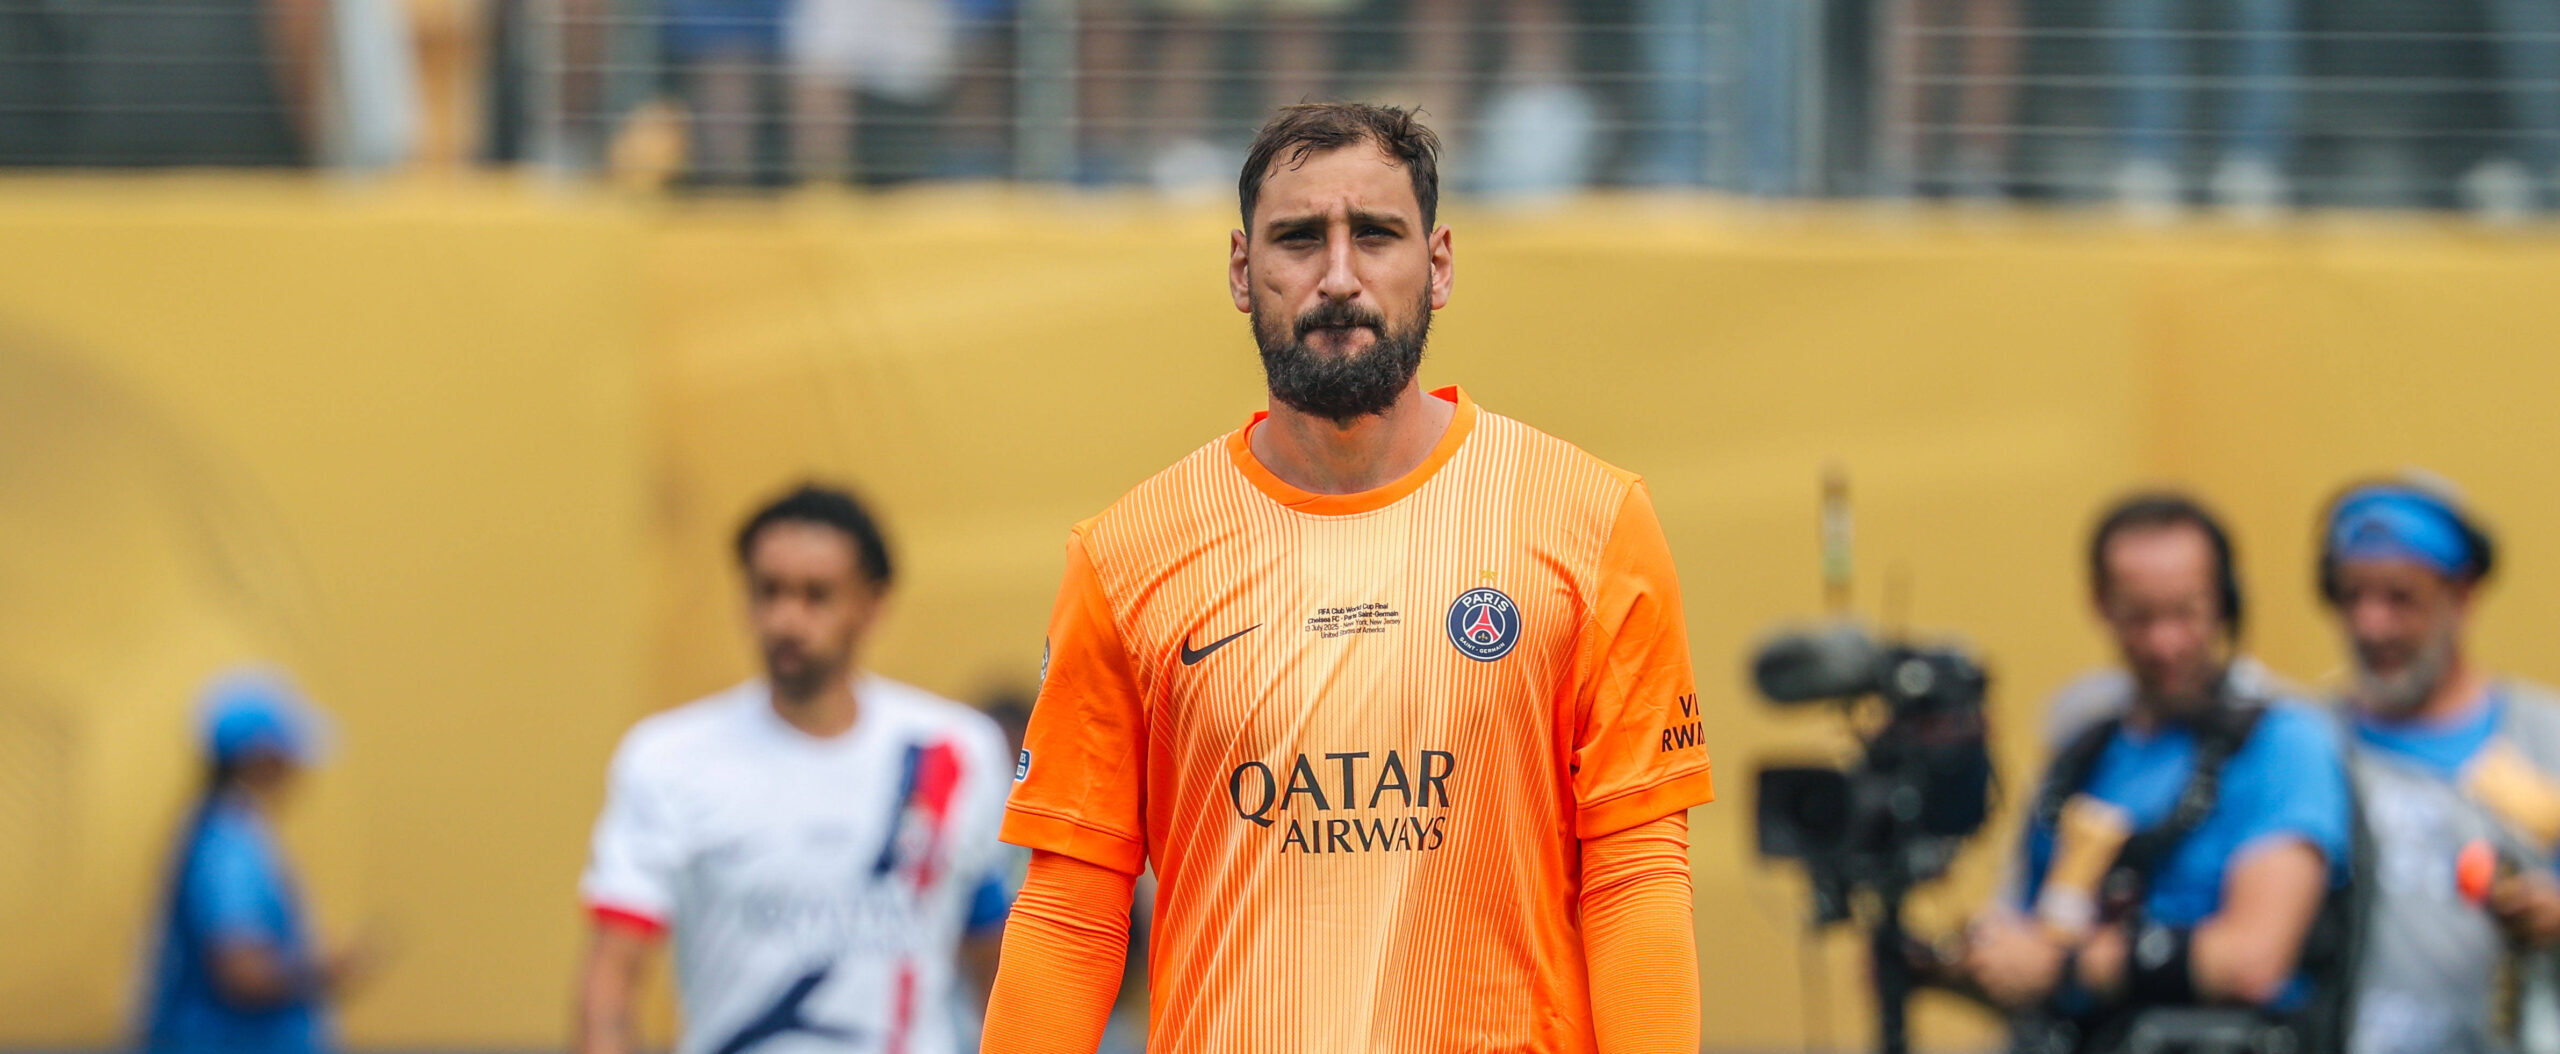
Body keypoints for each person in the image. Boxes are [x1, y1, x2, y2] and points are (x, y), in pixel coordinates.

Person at [978, 102, 1714, 1054]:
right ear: (1244, 272)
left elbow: (1637, 875)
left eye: (1374, 235)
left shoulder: (1591, 520)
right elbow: (1072, 916)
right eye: (1297, 239)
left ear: (1437, 264)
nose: (1337, 277)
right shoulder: (1128, 556)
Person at [575, 484, 1013, 1054]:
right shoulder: (671, 759)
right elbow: (611, 980)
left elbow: (996, 963)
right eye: (769, 591)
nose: (787, 619)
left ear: (873, 603)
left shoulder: (955, 752)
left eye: (817, 595)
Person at [1945, 493, 2353, 1053]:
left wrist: (2064, 964)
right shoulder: (2080, 745)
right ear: (2101, 604)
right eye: (2139, 616)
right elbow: (2025, 940)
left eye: (2186, 612)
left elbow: (2254, 958)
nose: (2165, 643)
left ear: (2226, 604)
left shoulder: (2283, 741)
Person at [2318, 478, 2560, 1054]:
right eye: (2352, 597)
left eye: (2400, 598)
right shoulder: (2312, 743)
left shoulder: (2543, 736)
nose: (2371, 626)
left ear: (2463, 596)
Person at [140, 667, 382, 1054]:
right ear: (261, 756)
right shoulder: (230, 846)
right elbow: (240, 969)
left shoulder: (222, 832)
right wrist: (327, 968)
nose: (300, 770)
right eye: (291, 754)